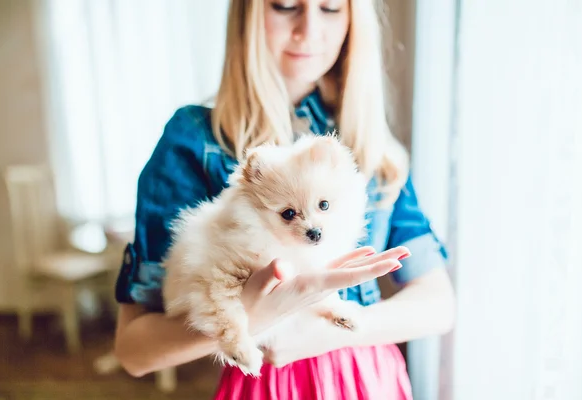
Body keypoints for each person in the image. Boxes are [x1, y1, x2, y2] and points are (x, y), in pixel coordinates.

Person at [113, 0, 456, 398]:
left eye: (330, 8)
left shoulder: (370, 146)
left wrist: (338, 332)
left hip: (369, 379)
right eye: (286, 5)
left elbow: (439, 304)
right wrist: (250, 319)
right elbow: (134, 350)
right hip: (267, 386)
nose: (309, 29)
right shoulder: (193, 141)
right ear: (248, 13)